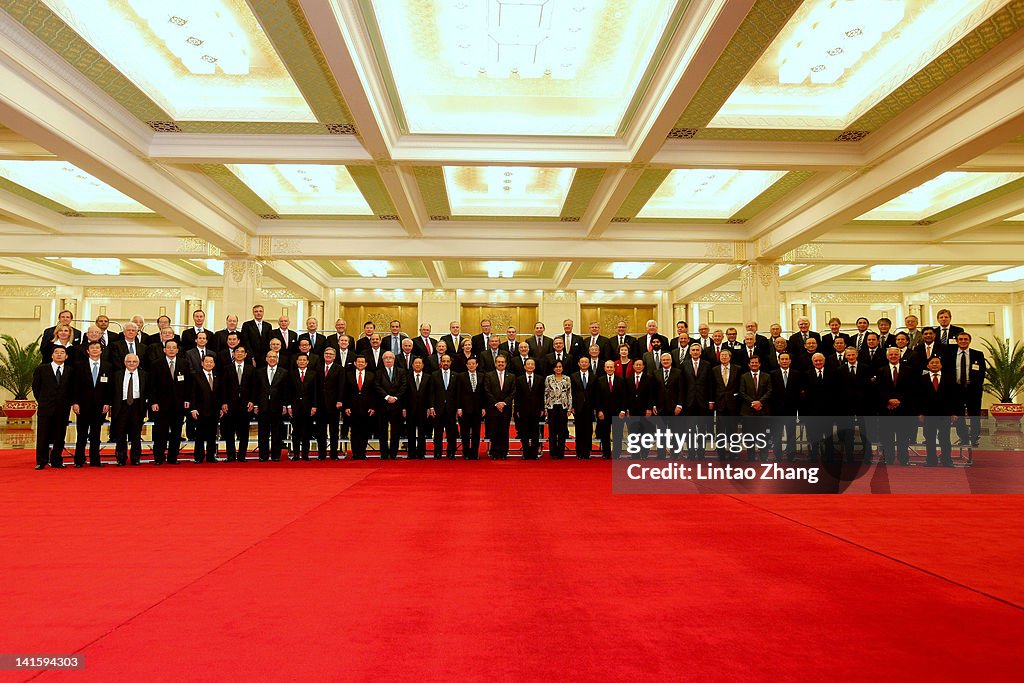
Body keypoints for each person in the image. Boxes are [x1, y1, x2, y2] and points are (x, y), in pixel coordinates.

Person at [70, 340, 112, 467]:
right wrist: (75, 402)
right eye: (92, 348)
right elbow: (74, 386)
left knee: (96, 434)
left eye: (97, 348)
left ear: (101, 350)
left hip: (100, 406)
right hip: (82, 406)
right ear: (87, 351)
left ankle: (95, 460)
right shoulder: (79, 366)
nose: (95, 350)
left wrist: (108, 403)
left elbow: (110, 387)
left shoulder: (107, 366)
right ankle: (79, 460)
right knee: (81, 434)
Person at [149, 340, 190, 465]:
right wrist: (153, 401)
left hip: (178, 405)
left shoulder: (184, 363)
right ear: (164, 350)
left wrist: (187, 400)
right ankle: (159, 458)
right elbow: (152, 385)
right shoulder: (156, 364)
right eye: (169, 347)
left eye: (174, 347)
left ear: (177, 350)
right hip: (161, 405)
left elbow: (188, 384)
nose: (171, 350)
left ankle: (173, 458)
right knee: (160, 432)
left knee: (176, 432)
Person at [32, 346, 72, 469]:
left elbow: (72, 389)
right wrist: (43, 401)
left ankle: (56, 460)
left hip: (63, 408)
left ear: (66, 356)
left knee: (60, 435)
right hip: (46, 407)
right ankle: (41, 461)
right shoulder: (42, 369)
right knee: (43, 435)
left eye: (62, 353)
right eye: (56, 352)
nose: (59, 355)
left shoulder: (71, 371)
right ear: (52, 355)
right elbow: (36, 388)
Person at [876, 347, 914, 466]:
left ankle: (904, 459)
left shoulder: (908, 370)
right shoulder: (881, 370)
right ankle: (888, 458)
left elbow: (911, 389)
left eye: (895, 354)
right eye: (891, 354)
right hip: (887, 409)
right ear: (887, 356)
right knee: (887, 436)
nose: (893, 356)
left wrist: (899, 401)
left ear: (899, 356)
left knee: (903, 436)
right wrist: (888, 400)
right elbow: (878, 390)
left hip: (903, 409)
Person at [918, 355, 957, 467]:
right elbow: (918, 397)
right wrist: (920, 412)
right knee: (929, 438)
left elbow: (954, 397)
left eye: (937, 362)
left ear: (941, 365)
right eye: (932, 363)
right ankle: (931, 460)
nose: (934, 364)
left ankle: (946, 460)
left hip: (944, 414)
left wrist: (954, 412)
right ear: (928, 365)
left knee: (945, 437)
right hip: (928, 414)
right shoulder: (922, 379)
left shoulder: (949, 378)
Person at [110, 353, 147, 466]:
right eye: (129, 362)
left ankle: (135, 458)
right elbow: (112, 392)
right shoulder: (117, 375)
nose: (132, 364)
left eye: (134, 362)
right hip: (121, 406)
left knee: (136, 434)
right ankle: (121, 458)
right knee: (120, 434)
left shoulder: (145, 375)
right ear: (125, 363)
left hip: (137, 406)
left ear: (138, 363)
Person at [221, 345, 256, 462]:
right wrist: (224, 402)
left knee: (244, 432)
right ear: (233, 354)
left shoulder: (251, 369)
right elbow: (223, 387)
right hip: (230, 405)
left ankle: (242, 456)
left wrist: (252, 401)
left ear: (246, 355)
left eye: (242, 352)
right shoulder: (226, 368)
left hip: (245, 405)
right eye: (237, 352)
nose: (240, 354)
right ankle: (230, 456)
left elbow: (254, 387)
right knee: (229, 432)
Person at [254, 350, 289, 462]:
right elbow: (256, 390)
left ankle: (275, 455)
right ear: (266, 359)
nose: (272, 359)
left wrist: (285, 405)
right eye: (270, 357)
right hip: (262, 406)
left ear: (277, 359)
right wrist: (255, 405)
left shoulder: (284, 372)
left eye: (274, 357)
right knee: (262, 432)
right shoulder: (259, 372)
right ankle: (263, 455)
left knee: (277, 432)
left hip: (277, 406)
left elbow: (286, 391)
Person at [953, 332, 986, 447]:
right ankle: (963, 438)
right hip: (956, 390)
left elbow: (982, 372)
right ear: (957, 341)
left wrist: (976, 385)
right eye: (960, 339)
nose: (963, 341)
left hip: (973, 390)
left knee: (975, 414)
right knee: (959, 415)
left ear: (969, 341)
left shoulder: (978, 354)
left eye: (965, 339)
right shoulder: (950, 355)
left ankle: (974, 438)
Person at [769, 352, 802, 462]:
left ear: (790, 361)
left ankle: (791, 456)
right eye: (782, 359)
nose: (784, 361)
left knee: (791, 434)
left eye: (786, 359)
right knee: (777, 435)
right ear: (778, 361)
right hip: (776, 410)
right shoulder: (772, 374)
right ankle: (778, 456)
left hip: (791, 409)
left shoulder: (796, 374)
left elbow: (798, 393)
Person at [681, 343, 711, 460]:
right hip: (689, 402)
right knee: (690, 430)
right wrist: (682, 402)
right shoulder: (684, 365)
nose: (695, 352)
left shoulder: (707, 365)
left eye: (697, 350)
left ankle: (701, 453)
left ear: (700, 352)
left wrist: (710, 400)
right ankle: (691, 453)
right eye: (693, 350)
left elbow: (710, 384)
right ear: (690, 352)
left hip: (703, 401)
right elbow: (682, 385)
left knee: (702, 430)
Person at [287, 354, 320, 460]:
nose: (302, 361)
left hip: (308, 407)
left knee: (307, 431)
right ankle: (296, 454)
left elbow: (316, 391)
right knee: (295, 431)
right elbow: (288, 391)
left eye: (304, 360)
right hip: (295, 407)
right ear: (296, 362)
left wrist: (314, 406)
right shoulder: (291, 374)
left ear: (307, 362)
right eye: (300, 360)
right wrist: (289, 406)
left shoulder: (314, 374)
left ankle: (305, 455)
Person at [738, 356, 772, 461]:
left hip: (763, 410)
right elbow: (742, 392)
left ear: (759, 364)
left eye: (756, 362)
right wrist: (753, 403)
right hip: (748, 411)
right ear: (749, 364)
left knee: (763, 436)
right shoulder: (744, 376)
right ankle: (751, 457)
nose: (754, 364)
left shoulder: (767, 376)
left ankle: (763, 456)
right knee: (749, 436)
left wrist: (760, 402)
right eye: (752, 363)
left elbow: (769, 391)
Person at [375, 351, 407, 460]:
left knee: (396, 431)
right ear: (382, 360)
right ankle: (383, 454)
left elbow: (403, 386)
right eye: (386, 358)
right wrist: (387, 397)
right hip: (382, 405)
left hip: (396, 405)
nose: (388, 360)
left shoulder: (401, 372)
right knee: (382, 431)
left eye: (390, 358)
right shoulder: (378, 372)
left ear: (394, 360)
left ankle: (393, 454)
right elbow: (377, 386)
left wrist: (395, 397)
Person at [190, 354, 222, 463]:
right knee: (199, 435)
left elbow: (220, 394)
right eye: (206, 361)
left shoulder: (217, 376)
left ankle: (210, 456)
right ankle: (198, 457)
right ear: (202, 363)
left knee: (212, 435)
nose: (209, 363)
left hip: (214, 411)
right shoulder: (195, 376)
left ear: (214, 364)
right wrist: (193, 408)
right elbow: (192, 394)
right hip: (200, 411)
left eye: (211, 362)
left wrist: (221, 408)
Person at [709, 349, 740, 460]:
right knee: (720, 430)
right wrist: (711, 401)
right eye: (722, 355)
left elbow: (739, 386)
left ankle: (734, 453)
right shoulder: (714, 370)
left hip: (733, 403)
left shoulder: (737, 369)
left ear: (730, 357)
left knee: (733, 429)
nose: (724, 357)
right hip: (720, 403)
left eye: (726, 355)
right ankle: (721, 453)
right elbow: (712, 386)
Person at [317, 347, 346, 460]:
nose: (328, 355)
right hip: (320, 404)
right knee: (321, 431)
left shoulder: (339, 369)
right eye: (326, 353)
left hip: (334, 404)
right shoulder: (318, 368)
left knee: (334, 431)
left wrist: (340, 400)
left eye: (330, 354)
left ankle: (333, 454)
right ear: (323, 355)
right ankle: (321, 454)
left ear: (334, 356)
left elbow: (341, 386)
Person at [484, 355, 515, 459]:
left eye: (502, 362)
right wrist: (496, 403)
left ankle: (504, 452)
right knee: (494, 430)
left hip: (506, 408)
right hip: (493, 408)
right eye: (498, 362)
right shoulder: (488, 375)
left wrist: (504, 403)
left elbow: (513, 391)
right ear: (495, 363)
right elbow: (487, 391)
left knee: (504, 431)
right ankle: (494, 452)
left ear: (506, 364)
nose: (500, 364)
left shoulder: (511, 376)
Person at [344, 356, 375, 459]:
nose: (361, 363)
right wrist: (347, 406)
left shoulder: (371, 375)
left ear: (366, 364)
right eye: (359, 362)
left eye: (363, 362)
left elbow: (373, 392)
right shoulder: (348, 375)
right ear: (355, 363)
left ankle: (362, 453)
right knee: (354, 432)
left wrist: (372, 406)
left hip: (366, 408)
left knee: (364, 431)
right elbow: (346, 391)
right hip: (352, 407)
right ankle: (355, 453)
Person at [456, 356, 486, 459]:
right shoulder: (461, 376)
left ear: (477, 365)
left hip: (477, 409)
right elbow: (458, 392)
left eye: (473, 363)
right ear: (466, 365)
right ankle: (466, 453)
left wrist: (483, 407)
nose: (471, 365)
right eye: (469, 364)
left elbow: (484, 393)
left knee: (476, 432)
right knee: (464, 432)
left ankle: (474, 453)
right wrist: (459, 408)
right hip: (464, 409)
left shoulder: (482, 376)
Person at [515, 358, 546, 459]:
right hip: (523, 410)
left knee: (535, 433)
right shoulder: (519, 379)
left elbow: (542, 395)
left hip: (536, 409)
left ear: (534, 366)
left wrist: (542, 409)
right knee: (524, 432)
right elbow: (517, 396)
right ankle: (526, 452)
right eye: (528, 364)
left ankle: (534, 453)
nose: (530, 366)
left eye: (532, 364)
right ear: (524, 366)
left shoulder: (540, 379)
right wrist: (517, 410)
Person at [430, 354, 459, 459]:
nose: (446, 363)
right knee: (438, 432)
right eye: (444, 361)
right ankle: (437, 453)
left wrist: (458, 408)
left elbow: (457, 394)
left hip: (451, 408)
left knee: (451, 432)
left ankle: (451, 452)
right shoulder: (434, 375)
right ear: (440, 363)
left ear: (450, 363)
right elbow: (431, 392)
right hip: (438, 408)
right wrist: (431, 407)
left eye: (447, 361)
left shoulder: (456, 375)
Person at [593, 359, 622, 459]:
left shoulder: (620, 380)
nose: (609, 369)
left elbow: (624, 396)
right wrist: (599, 411)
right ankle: (606, 453)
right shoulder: (599, 380)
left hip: (617, 412)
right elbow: (597, 397)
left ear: (614, 368)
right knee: (605, 434)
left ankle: (617, 453)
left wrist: (622, 410)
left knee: (617, 434)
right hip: (604, 412)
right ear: (604, 368)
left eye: (611, 367)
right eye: (607, 367)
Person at [543, 359, 572, 459]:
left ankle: (561, 452)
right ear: (553, 368)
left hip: (563, 407)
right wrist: (545, 408)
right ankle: (553, 452)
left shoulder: (567, 378)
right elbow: (545, 393)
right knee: (552, 430)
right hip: (551, 406)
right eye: (556, 367)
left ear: (563, 368)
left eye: (560, 367)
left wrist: (569, 408)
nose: (558, 368)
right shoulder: (548, 378)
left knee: (562, 430)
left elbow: (569, 394)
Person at [405, 356, 433, 459]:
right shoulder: (407, 376)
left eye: (419, 363)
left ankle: (421, 453)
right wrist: (404, 408)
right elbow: (404, 394)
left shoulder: (428, 377)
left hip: (423, 409)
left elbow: (430, 394)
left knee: (422, 432)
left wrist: (430, 408)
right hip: (410, 408)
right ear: (412, 365)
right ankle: (411, 453)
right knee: (411, 431)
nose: (417, 365)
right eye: (415, 363)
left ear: (423, 365)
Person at [570, 357, 595, 459]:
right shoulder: (573, 376)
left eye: (586, 362)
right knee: (579, 429)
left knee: (588, 430)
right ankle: (579, 451)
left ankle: (587, 451)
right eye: (582, 362)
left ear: (589, 364)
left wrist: (595, 407)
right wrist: (572, 406)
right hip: (578, 407)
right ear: (579, 364)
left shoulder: (593, 376)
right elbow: (571, 392)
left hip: (590, 406)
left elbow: (596, 393)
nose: (584, 364)